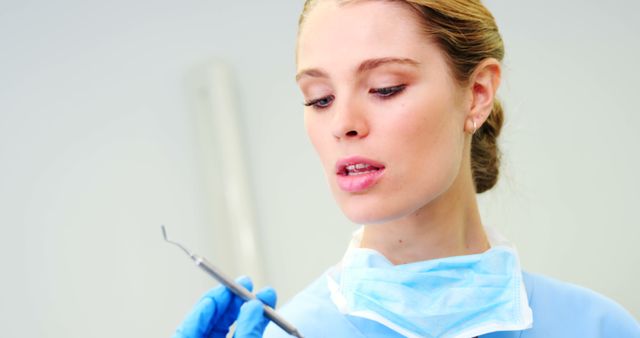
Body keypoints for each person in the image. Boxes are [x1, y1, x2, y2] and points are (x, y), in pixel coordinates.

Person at [173, 0, 640, 337]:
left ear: (477, 94)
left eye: (385, 87)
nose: (343, 124)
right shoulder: (297, 332)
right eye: (320, 98)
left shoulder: (597, 327)